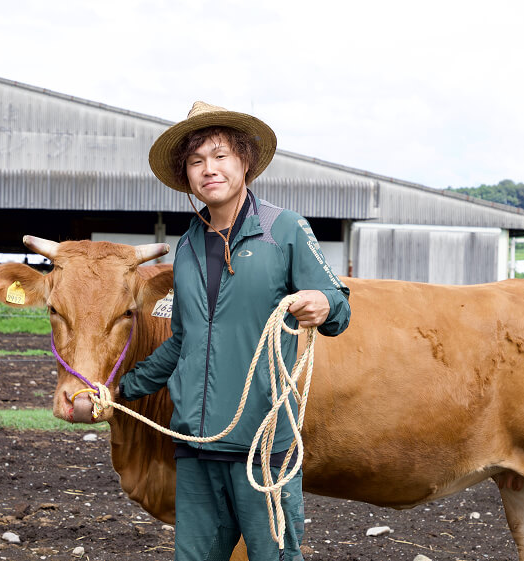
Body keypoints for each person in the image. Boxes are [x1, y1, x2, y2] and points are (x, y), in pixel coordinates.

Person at [118, 101, 351, 561]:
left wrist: (325, 303)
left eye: (221, 155)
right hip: (196, 446)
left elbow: (338, 303)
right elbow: (182, 343)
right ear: (186, 174)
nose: (209, 169)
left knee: (273, 557)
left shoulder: (283, 229)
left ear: (244, 162)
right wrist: (121, 389)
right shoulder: (185, 246)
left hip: (262, 445)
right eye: (196, 161)